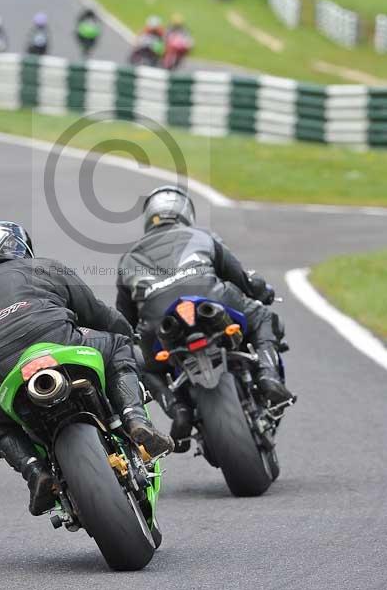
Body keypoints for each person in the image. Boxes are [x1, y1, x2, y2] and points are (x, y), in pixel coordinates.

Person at [0, 221, 173, 516]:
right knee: (117, 345)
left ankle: (36, 472)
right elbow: (98, 314)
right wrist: (127, 334)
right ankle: (135, 419)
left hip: (4, 371)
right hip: (61, 342)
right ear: (24, 249)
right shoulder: (46, 267)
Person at [115, 186, 292, 452]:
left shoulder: (129, 258)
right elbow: (240, 278)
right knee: (262, 315)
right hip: (213, 300)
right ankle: (268, 376)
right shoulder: (202, 235)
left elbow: (125, 321)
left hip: (160, 321)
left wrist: (134, 337)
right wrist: (262, 292)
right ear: (185, 213)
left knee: (144, 364)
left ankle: (178, 410)